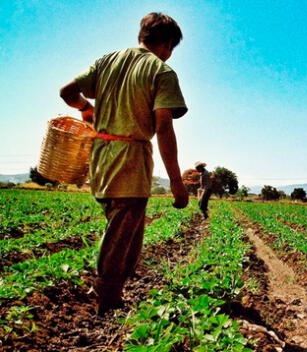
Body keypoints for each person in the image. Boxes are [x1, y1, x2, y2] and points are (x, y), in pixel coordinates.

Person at [59, 12, 190, 315]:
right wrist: (176, 181)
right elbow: (164, 127)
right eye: (172, 48)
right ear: (168, 44)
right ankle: (107, 297)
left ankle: (111, 288)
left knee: (122, 228)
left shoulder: (107, 61)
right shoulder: (161, 71)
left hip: (101, 157)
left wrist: (86, 109)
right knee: (122, 233)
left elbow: (67, 91)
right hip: (130, 160)